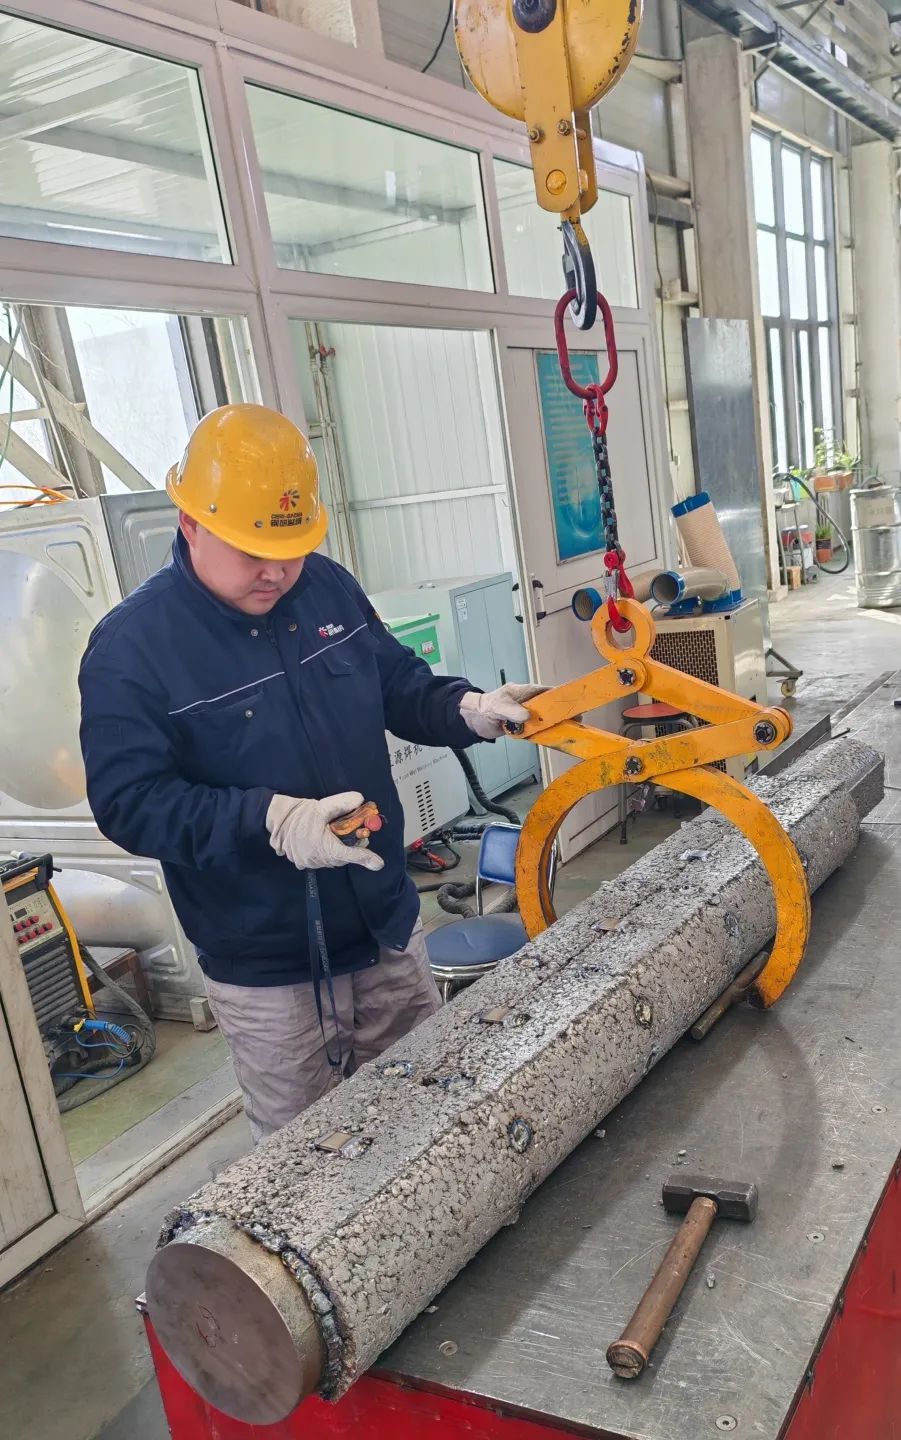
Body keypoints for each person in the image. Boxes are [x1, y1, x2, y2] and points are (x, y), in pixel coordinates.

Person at [79, 403, 541, 1143]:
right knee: (310, 1156)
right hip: (269, 966)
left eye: (291, 549)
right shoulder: (131, 649)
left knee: (426, 1119)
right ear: (191, 523)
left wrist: (468, 708)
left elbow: (397, 684)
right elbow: (129, 804)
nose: (276, 571)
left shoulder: (324, 586)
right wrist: (270, 819)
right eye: (252, 551)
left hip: (384, 925)